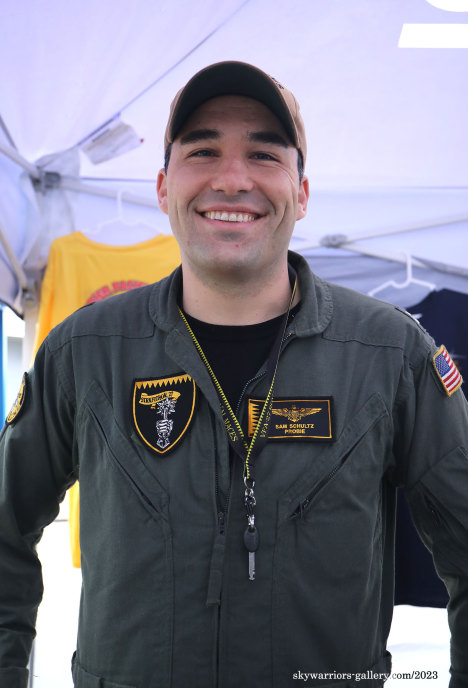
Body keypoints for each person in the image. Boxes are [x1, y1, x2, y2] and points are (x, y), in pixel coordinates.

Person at [0, 61, 467, 688]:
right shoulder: (84, 351)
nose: (231, 178)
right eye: (203, 151)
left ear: (302, 193)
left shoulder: (390, 353)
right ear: (163, 187)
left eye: (264, 155)